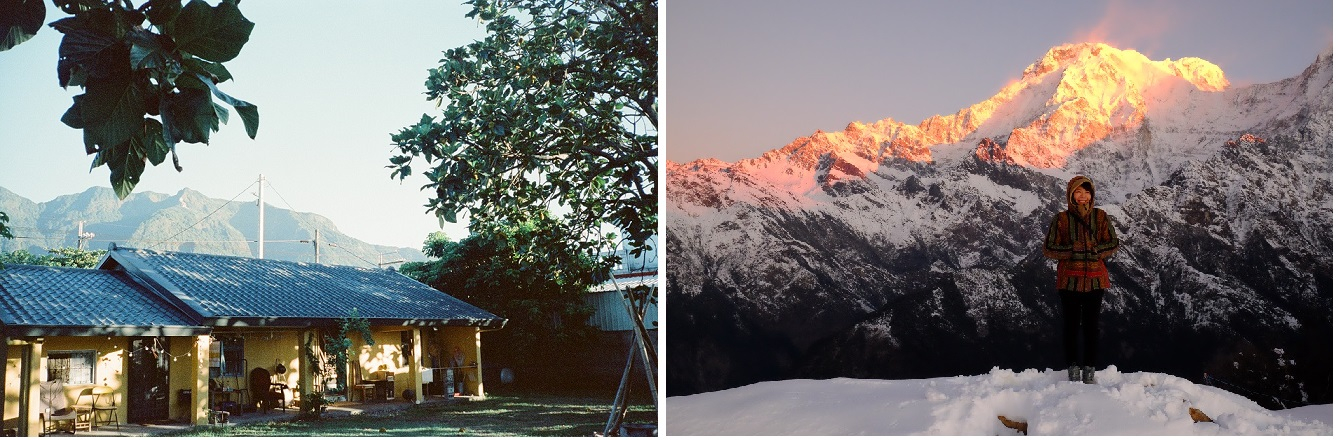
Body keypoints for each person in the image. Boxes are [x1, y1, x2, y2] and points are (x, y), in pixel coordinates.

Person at [1042, 175, 1119, 384]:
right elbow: (1048, 248)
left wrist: (1095, 249)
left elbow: (1113, 243)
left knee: (1092, 326)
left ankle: (1090, 367)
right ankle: (1073, 366)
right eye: (1078, 192)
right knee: (1071, 325)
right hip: (1069, 282)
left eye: (1086, 192)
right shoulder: (1061, 219)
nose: (1082, 196)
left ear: (1091, 194)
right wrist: (1071, 249)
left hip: (1095, 280)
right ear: (1071, 195)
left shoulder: (1101, 217)